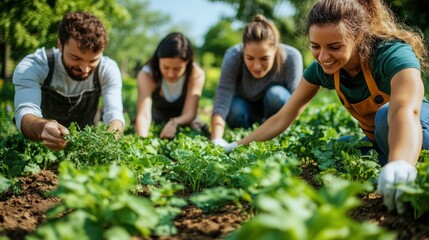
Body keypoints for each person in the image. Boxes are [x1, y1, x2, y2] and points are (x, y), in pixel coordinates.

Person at [220, 0, 429, 214]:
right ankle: (390, 172)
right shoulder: (322, 69)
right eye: (315, 46)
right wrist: (235, 145)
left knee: (386, 114)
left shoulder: (391, 54)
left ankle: (403, 170)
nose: (323, 57)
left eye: (334, 47)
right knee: (337, 152)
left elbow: (405, 109)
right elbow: (283, 116)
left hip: (416, 130)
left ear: (358, 37)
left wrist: (401, 161)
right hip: (383, 140)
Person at [13, 12, 125, 151]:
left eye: (93, 61)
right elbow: (25, 113)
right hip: (39, 148)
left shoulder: (108, 69)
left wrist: (108, 141)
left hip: (84, 150)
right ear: (60, 45)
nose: (84, 69)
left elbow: (114, 114)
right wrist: (42, 127)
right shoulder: (34, 66)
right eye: (76, 58)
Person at [210, 14, 303, 147]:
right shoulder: (233, 55)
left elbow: (296, 101)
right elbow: (223, 96)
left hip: (277, 112)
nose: (257, 66)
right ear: (243, 50)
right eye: (250, 58)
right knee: (235, 109)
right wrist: (216, 139)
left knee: (276, 95)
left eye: (264, 58)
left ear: (275, 49)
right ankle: (247, 135)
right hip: (245, 109)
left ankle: (276, 133)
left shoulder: (291, 57)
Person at [135, 32, 205, 139]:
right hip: (157, 117)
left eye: (177, 69)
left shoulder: (196, 74)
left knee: (197, 132)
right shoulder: (147, 74)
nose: (171, 74)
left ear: (187, 63)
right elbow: (144, 114)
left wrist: (174, 123)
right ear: (158, 60)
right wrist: (142, 140)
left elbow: (190, 112)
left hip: (186, 119)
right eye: (166, 67)